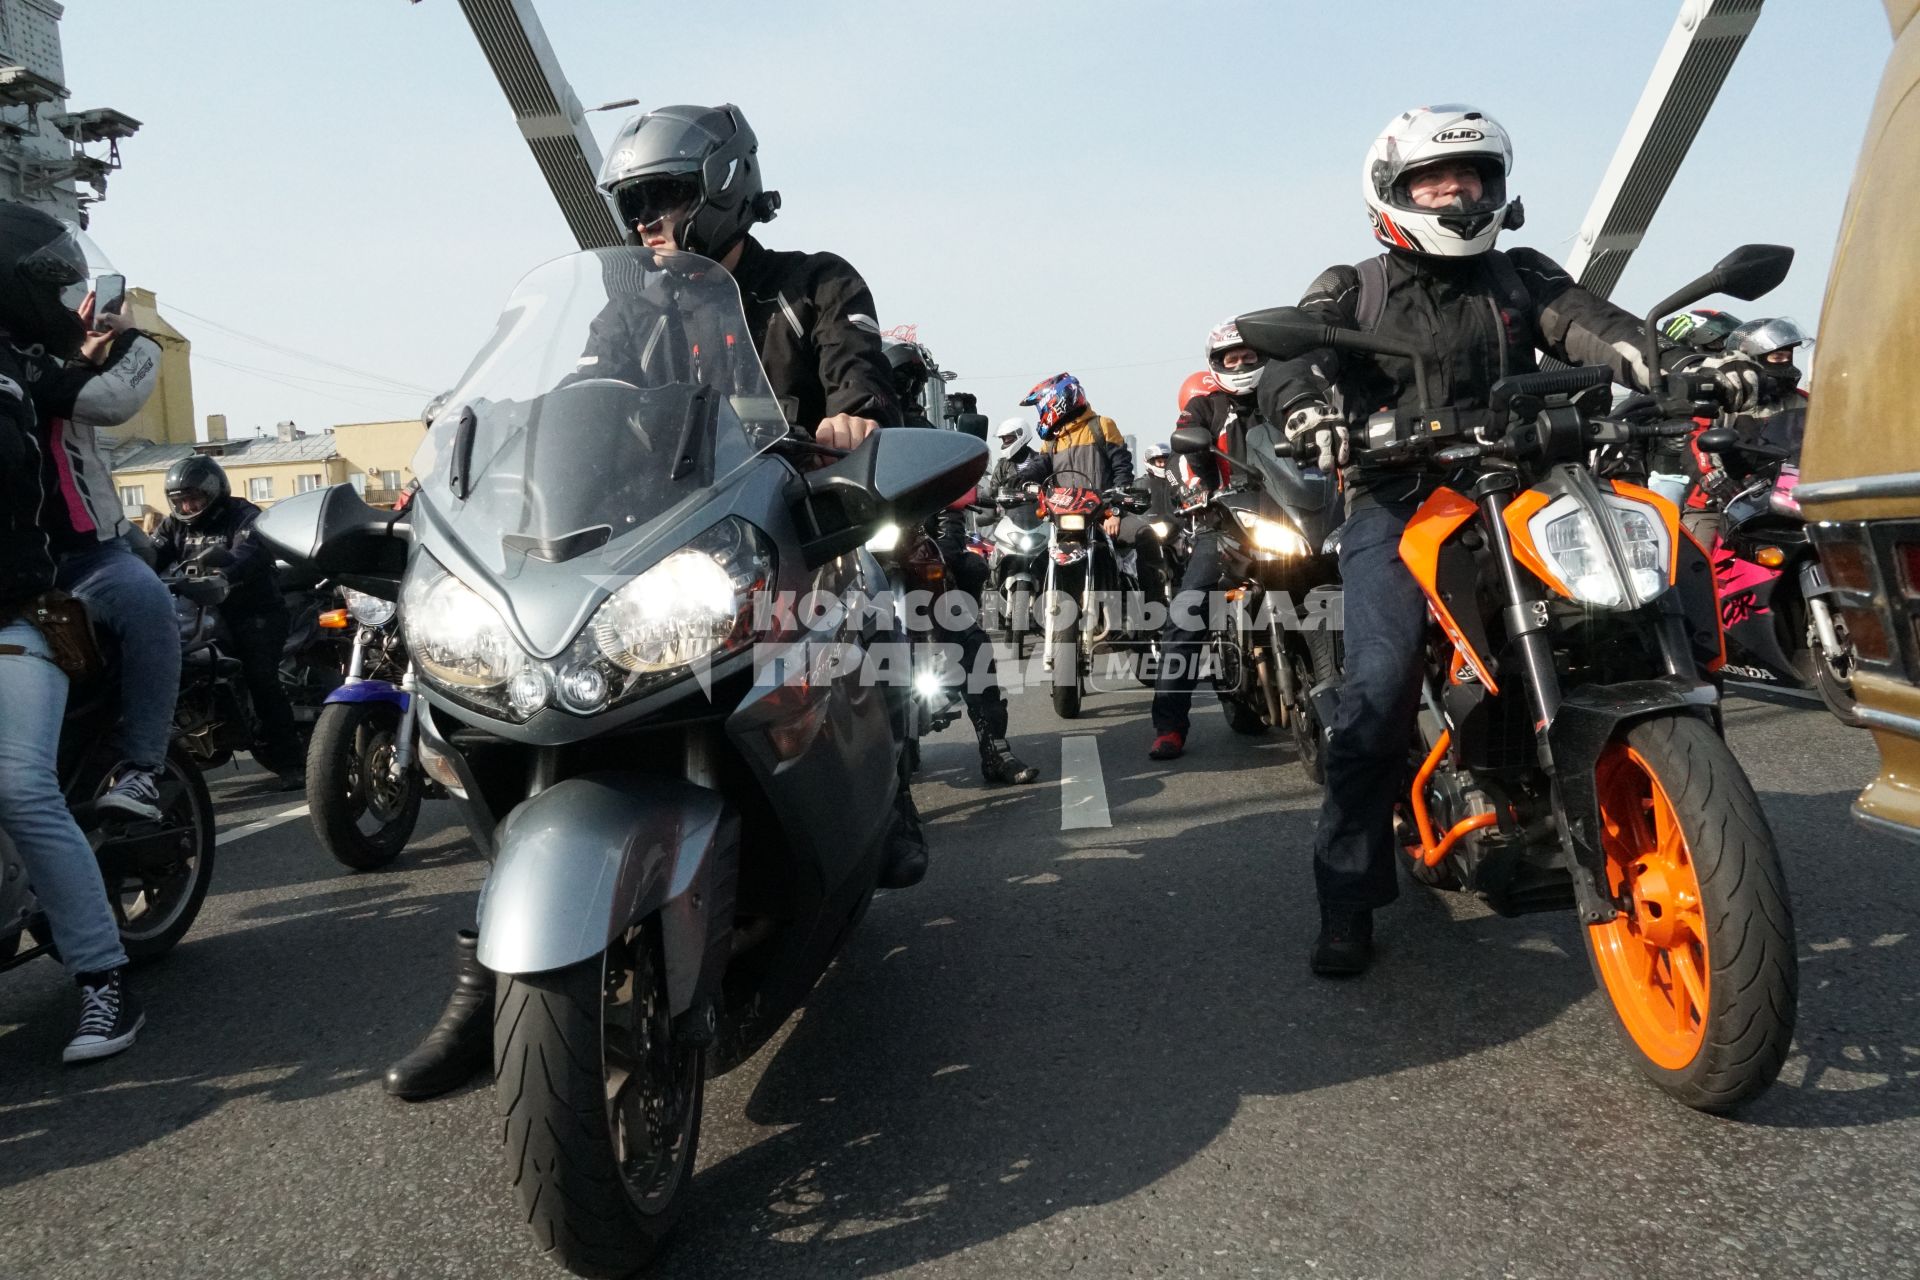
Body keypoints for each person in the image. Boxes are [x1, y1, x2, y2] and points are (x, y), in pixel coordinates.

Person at [384, 102, 940, 1101]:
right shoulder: (627, 306)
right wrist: (481, 436)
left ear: (723, 188)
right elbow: (580, 388)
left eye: (665, 196)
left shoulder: (808, 282)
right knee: (531, 690)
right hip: (655, 537)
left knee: (875, 599)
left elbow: (855, 366)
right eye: (635, 202)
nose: (647, 218)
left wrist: (853, 413)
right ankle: (488, 972)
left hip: (787, 510)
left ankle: (889, 795)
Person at [1258, 105, 1761, 978]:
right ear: (1394, 192)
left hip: (1527, 479)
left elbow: (1597, 328)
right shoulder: (1355, 288)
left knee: (1662, 547)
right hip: (1408, 496)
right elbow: (1295, 358)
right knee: (1376, 690)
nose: (1456, 193)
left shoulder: (1523, 274)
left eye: (1472, 177)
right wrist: (1307, 408)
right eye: (1433, 181)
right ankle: (1346, 895)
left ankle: (1689, 757)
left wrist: (1677, 364)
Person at [0, 205, 144, 1062]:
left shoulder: (18, 375)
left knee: (16, 786)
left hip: (18, 619)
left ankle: (102, 980)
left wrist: (117, 344)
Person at [885, 340, 1038, 787]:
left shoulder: (924, 436)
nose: (899, 391)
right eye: (893, 382)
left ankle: (995, 749)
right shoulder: (838, 429)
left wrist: (947, 543)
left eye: (905, 383)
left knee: (966, 622)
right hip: (850, 554)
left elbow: (952, 503)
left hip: (913, 546)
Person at [1148, 320, 1270, 759]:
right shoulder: (1206, 407)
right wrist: (1198, 487)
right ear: (1217, 365)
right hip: (1224, 523)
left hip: (1287, 516)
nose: (1241, 364)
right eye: (1231, 359)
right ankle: (1169, 728)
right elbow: (1187, 447)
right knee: (1186, 615)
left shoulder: (1282, 394)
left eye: (1248, 357)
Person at [151, 455, 304, 782]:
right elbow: (153, 555)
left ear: (214, 492)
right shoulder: (173, 524)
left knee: (261, 679)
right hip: (200, 615)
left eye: (194, 499)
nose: (188, 507)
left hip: (254, 613)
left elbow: (249, 550)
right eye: (181, 501)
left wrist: (225, 570)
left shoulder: (245, 515)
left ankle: (291, 762)